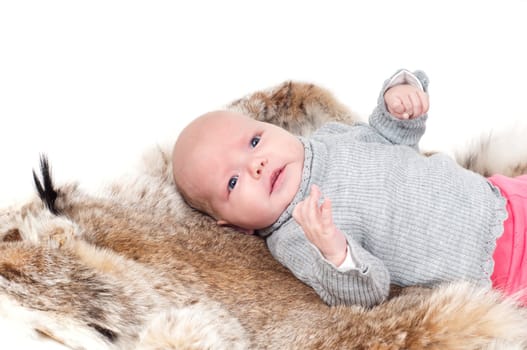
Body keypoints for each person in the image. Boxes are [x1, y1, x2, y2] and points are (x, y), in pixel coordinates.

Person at [172, 69, 526, 307]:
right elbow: (368, 290)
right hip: (499, 263)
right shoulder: (297, 235)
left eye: (253, 142)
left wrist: (398, 101)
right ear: (235, 225)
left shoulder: (330, 138)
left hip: (500, 196)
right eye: (233, 182)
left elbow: (390, 137)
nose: (256, 164)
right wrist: (335, 251)